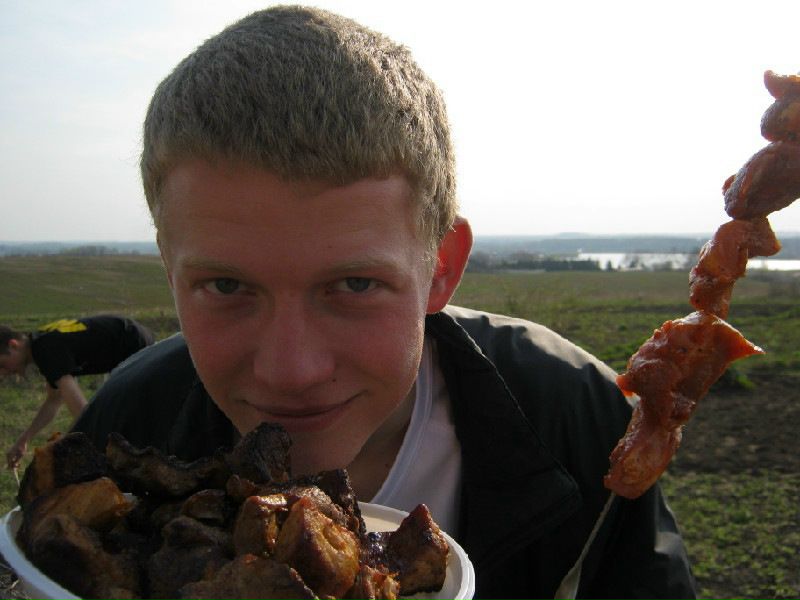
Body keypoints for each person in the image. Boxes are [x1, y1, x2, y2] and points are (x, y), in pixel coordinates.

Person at [72, 6, 697, 598]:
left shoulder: (578, 421)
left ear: (441, 268)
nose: (292, 371)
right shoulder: (125, 430)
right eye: (227, 287)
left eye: (354, 285)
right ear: (170, 269)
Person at [1, 315, 154, 469]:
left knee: (127, 434)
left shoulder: (44, 350)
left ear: (13, 345)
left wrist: (65, 445)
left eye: (1, 365)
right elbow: (54, 400)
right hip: (134, 337)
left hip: (133, 345)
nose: (3, 373)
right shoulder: (40, 343)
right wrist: (24, 440)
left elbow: (83, 413)